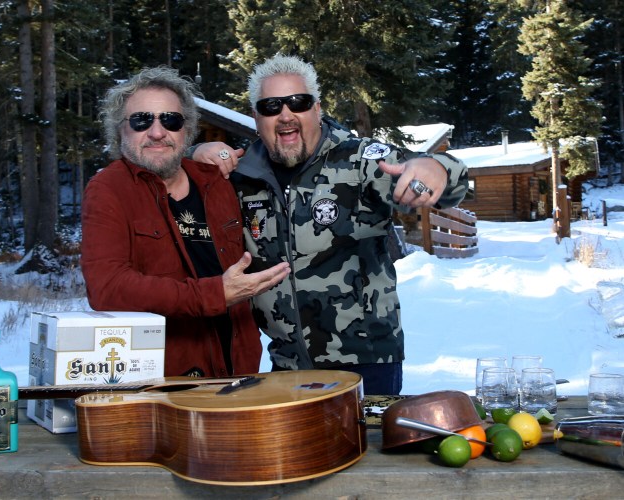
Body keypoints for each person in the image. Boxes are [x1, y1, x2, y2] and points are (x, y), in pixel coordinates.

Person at [191, 54, 469, 394]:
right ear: (256, 117)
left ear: (317, 109)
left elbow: (441, 180)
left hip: (366, 360)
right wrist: (196, 151)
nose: (286, 114)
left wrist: (437, 168)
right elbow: (171, 175)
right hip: (285, 365)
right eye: (271, 106)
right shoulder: (241, 175)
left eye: (299, 102)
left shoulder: (360, 161)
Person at [81, 66, 290, 378]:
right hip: (166, 385)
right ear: (119, 129)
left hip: (238, 374)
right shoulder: (108, 189)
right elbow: (107, 288)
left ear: (187, 129)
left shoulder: (217, 183)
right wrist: (215, 294)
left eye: (170, 120)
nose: (157, 132)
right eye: (141, 120)